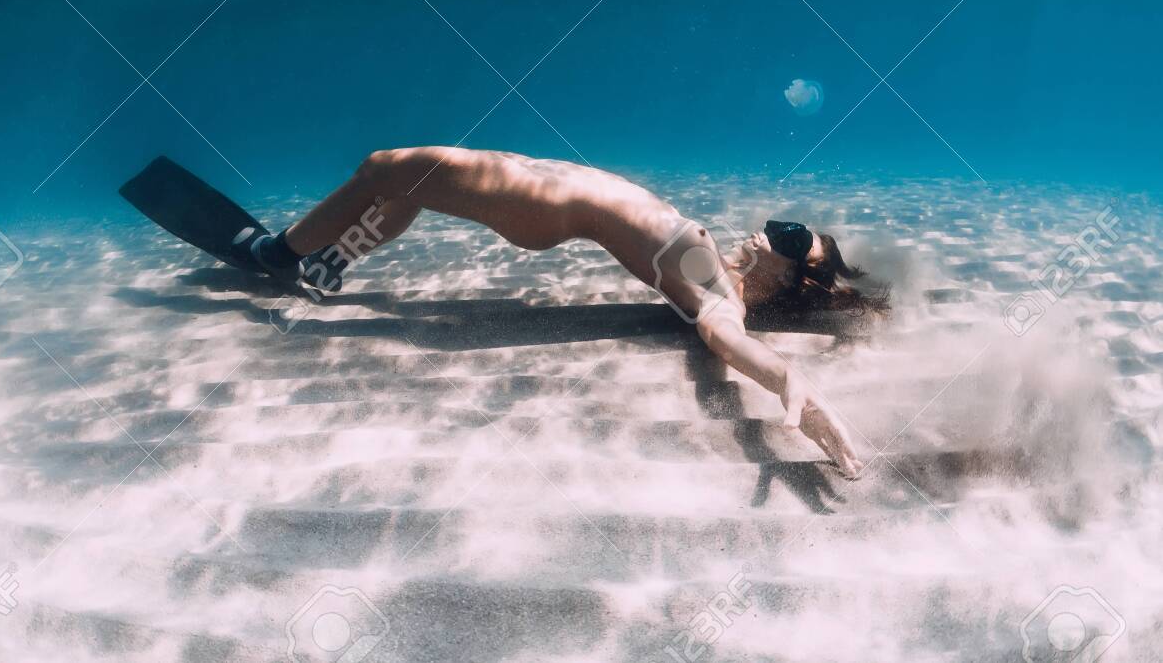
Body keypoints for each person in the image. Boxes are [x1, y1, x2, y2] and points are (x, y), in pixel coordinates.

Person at [237, 147, 886, 478]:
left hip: (538, 199)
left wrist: (789, 379)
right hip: (542, 183)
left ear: (790, 275)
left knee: (382, 167)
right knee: (402, 187)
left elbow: (726, 341)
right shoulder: (720, 271)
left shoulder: (718, 293)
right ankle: (331, 259)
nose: (774, 229)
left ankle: (278, 255)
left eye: (792, 238)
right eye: (786, 224)